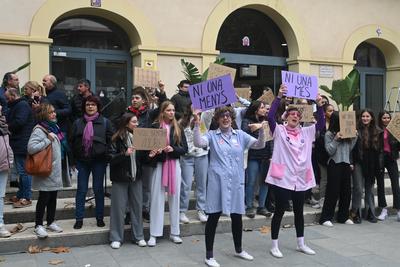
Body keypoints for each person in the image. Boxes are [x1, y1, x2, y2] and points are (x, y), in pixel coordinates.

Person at [193, 106, 267, 267]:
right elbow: (198, 142)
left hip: (236, 182)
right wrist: (197, 124)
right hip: (217, 182)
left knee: (236, 217)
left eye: (228, 116)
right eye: (222, 116)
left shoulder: (240, 135)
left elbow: (260, 145)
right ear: (217, 119)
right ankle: (209, 255)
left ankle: (239, 249)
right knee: (213, 216)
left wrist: (261, 130)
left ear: (232, 118)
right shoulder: (212, 135)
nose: (225, 119)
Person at [266, 84, 325, 258]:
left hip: (300, 178)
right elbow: (270, 116)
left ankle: (301, 243)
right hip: (282, 178)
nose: (295, 116)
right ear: (286, 117)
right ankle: (274, 245)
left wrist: (319, 104)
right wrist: (278, 97)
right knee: (280, 211)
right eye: (292, 114)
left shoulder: (306, 132)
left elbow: (321, 124)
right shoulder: (279, 130)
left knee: (300, 211)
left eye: (298, 115)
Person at [147, 101, 188, 247]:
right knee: (157, 199)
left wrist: (173, 149)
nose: (171, 112)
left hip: (174, 165)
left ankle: (175, 232)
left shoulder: (178, 127)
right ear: (163, 111)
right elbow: (148, 149)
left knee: (175, 198)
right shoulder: (155, 126)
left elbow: (185, 149)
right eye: (169, 110)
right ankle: (154, 234)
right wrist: (153, 152)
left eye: (173, 110)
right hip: (159, 165)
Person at [70, 95, 114, 229]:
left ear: (97, 107)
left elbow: (111, 141)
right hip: (82, 161)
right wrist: (73, 160)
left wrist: (106, 156)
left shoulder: (105, 122)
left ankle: (100, 218)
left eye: (93, 105)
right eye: (88, 104)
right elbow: (71, 142)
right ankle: (79, 219)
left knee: (98, 189)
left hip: (99, 161)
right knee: (81, 190)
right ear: (84, 106)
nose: (90, 107)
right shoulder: (78, 123)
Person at [127, 86, 166, 222]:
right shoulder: (127, 114)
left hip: (147, 156)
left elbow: (164, 106)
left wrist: (161, 93)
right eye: (132, 98)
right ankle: (128, 212)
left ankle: (145, 209)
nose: (134, 100)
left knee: (146, 186)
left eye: (137, 98)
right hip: (131, 154)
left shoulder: (150, 114)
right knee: (131, 183)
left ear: (144, 101)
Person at [27, 103, 65, 238]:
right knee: (44, 198)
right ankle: (38, 225)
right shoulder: (39, 130)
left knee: (53, 197)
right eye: (51, 112)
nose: (54, 114)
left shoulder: (54, 127)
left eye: (54, 112)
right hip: (45, 170)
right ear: (44, 115)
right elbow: (31, 148)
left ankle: (50, 221)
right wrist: (47, 141)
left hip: (54, 170)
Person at [109, 113, 146, 249]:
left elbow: (143, 159)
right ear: (126, 123)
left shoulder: (140, 137)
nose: (137, 124)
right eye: (134, 122)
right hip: (121, 178)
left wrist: (151, 155)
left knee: (137, 207)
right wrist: (123, 154)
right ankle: (116, 237)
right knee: (118, 209)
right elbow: (111, 159)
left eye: (137, 122)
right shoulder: (117, 138)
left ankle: (139, 236)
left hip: (136, 177)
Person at [319, 111, 357, 226]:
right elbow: (330, 151)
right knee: (332, 191)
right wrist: (336, 139)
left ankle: (343, 216)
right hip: (334, 164)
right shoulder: (329, 134)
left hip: (345, 163)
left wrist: (354, 137)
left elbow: (349, 149)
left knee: (346, 191)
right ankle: (325, 218)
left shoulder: (347, 134)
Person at [241, 101, 273, 218]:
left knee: (265, 182)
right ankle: (249, 206)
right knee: (251, 181)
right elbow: (246, 136)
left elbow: (270, 139)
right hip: (253, 156)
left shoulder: (267, 122)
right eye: (262, 108)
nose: (265, 110)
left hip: (265, 156)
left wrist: (271, 154)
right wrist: (260, 128)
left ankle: (261, 206)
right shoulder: (246, 121)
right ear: (255, 109)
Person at [5, 88, 35, 208]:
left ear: (13, 95)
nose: (7, 100)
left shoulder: (21, 105)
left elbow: (19, 122)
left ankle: (26, 197)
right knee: (21, 172)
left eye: (8, 98)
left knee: (24, 172)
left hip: (22, 143)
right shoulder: (17, 105)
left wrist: (6, 126)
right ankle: (20, 194)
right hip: (18, 143)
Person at [178, 104, 208, 224]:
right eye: (193, 105)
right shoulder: (183, 121)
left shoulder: (205, 118)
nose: (196, 107)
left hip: (202, 156)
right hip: (187, 156)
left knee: (201, 184)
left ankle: (201, 210)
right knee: (186, 185)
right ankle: (182, 211)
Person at [350, 109, 381, 224]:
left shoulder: (378, 131)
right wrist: (351, 162)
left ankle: (370, 213)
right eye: (363, 116)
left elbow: (380, 151)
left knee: (370, 189)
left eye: (367, 116)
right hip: (358, 162)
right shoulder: (355, 130)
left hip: (372, 164)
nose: (365, 118)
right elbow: (351, 148)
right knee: (358, 189)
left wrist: (380, 166)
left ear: (372, 118)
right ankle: (355, 213)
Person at [376, 111, 400, 221]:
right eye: (384, 118)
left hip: (391, 158)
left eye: (388, 118)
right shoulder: (376, 130)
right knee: (380, 185)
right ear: (380, 119)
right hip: (380, 158)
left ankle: (398, 209)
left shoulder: (394, 130)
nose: (386, 120)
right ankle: (383, 209)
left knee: (395, 184)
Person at [0, 104, 13, 237]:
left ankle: (0, 224)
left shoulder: (3, 125)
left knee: (0, 196)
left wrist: (10, 160)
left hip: (3, 166)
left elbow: (6, 146)